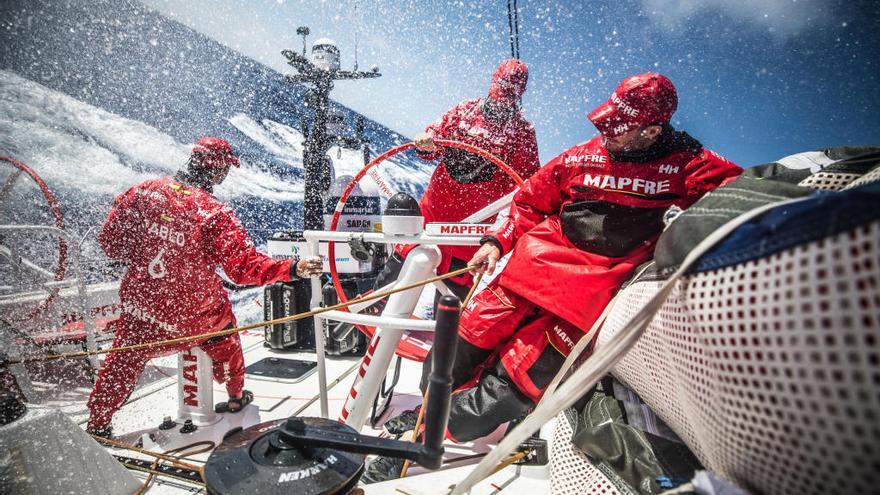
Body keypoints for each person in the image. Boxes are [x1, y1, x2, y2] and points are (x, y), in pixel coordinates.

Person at [365, 73, 742, 482]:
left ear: (651, 131)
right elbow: (528, 202)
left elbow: (749, 197)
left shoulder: (693, 167)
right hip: (522, 277)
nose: (605, 135)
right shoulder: (580, 157)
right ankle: (422, 420)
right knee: (451, 355)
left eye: (615, 129)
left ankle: (415, 447)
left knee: (507, 389)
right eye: (603, 124)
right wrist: (496, 241)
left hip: (578, 308)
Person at [86, 137, 322, 437]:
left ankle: (97, 423)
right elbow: (243, 269)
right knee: (226, 332)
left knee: (123, 358)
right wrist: (292, 268)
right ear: (220, 171)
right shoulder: (214, 213)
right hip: (192, 317)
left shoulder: (143, 192)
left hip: (140, 309)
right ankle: (236, 398)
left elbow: (111, 243)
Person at [373, 58, 540, 305]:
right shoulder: (464, 111)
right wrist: (426, 141)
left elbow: (526, 187)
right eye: (502, 85)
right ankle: (367, 325)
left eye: (511, 89)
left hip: (468, 236)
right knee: (386, 288)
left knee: (449, 311)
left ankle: (440, 341)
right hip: (429, 220)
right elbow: (430, 145)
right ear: (494, 81)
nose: (504, 94)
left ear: (520, 93)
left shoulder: (522, 132)